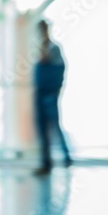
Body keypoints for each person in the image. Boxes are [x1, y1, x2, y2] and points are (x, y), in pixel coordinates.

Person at [33, 20, 72, 175]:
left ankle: (66, 157)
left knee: (54, 127)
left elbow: (56, 68)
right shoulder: (39, 49)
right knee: (42, 129)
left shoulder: (53, 49)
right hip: (40, 92)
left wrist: (54, 89)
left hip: (49, 94)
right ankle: (46, 162)